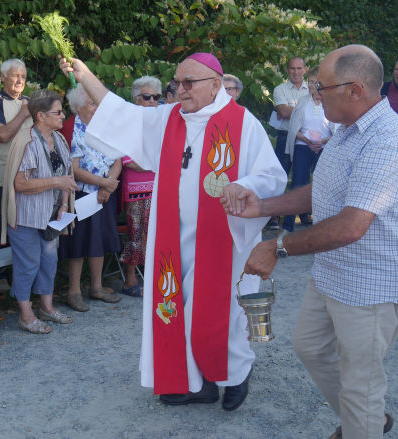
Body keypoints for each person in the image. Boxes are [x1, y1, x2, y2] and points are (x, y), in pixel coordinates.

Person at [60, 52, 287, 411]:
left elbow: (273, 178)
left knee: (221, 313)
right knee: (177, 307)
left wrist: (244, 185)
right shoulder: (167, 120)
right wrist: (84, 74)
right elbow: (119, 113)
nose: (179, 90)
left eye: (188, 83)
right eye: (175, 83)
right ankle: (197, 383)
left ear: (216, 84)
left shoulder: (243, 124)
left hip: (222, 238)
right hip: (172, 238)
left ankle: (235, 374)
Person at [225, 44, 398, 438]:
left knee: (361, 384)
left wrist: (276, 246)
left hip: (370, 283)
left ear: (355, 89)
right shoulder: (348, 129)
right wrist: (263, 205)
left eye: (321, 85)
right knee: (310, 347)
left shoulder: (388, 142)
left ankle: (362, 422)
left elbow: (351, 225)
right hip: (334, 271)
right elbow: (323, 190)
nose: (315, 92)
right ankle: (364, 421)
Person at [4, 90, 77, 333]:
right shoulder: (26, 141)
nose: (62, 116)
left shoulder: (59, 139)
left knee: (49, 261)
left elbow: (67, 176)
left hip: (51, 215)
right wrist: (55, 182)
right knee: (28, 264)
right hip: (26, 216)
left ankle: (47, 307)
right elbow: (20, 184)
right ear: (40, 116)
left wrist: (64, 205)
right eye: (58, 112)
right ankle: (26, 315)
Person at [58, 84, 122, 311]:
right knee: (79, 241)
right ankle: (73, 291)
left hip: (105, 193)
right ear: (78, 106)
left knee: (100, 239)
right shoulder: (70, 127)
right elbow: (72, 168)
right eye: (93, 102)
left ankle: (97, 286)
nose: (97, 106)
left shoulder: (105, 126)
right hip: (81, 193)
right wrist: (103, 183)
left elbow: (118, 159)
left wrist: (108, 186)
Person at [0, 59, 33, 292]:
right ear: (2, 77)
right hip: (3, 175)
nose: (20, 80)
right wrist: (24, 114)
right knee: (2, 226)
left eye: (23, 76)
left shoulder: (31, 102)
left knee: (26, 225)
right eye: (15, 76)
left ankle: (23, 275)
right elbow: (2, 134)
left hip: (30, 176)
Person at [118, 76, 160, 297]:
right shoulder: (129, 122)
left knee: (158, 235)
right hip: (136, 187)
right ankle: (130, 280)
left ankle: (156, 279)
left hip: (160, 186)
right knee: (136, 233)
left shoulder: (162, 122)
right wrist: (153, 163)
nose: (152, 101)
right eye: (147, 97)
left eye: (156, 97)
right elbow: (126, 158)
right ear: (136, 99)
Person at [281, 67, 335, 233]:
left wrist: (321, 142)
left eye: (315, 82)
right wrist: (307, 140)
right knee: (298, 183)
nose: (311, 85)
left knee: (323, 187)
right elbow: (293, 128)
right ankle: (287, 227)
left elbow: (338, 130)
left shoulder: (332, 102)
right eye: (310, 81)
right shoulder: (303, 102)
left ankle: (322, 226)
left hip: (324, 148)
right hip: (303, 146)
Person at [272, 57, 310, 175]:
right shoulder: (279, 89)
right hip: (285, 136)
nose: (296, 72)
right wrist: (308, 112)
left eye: (299, 68)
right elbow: (283, 111)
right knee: (280, 176)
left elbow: (319, 111)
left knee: (301, 179)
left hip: (305, 138)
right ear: (287, 70)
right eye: (292, 68)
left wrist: (291, 111)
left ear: (305, 70)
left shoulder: (311, 89)